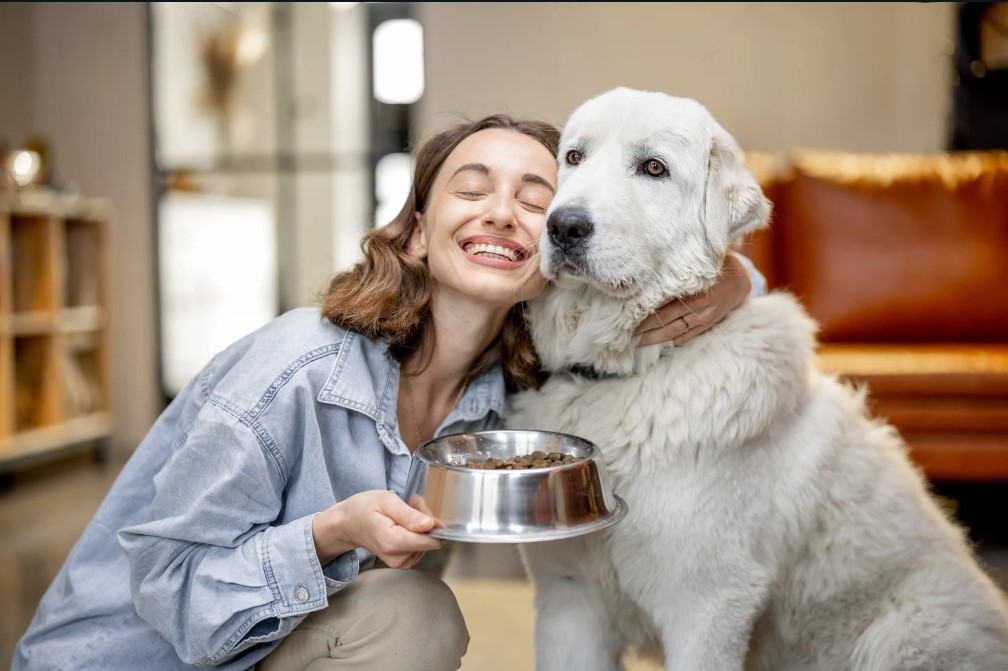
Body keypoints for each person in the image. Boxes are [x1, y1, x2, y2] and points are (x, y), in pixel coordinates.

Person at [12, 114, 765, 671]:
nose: (503, 211)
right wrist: (331, 531)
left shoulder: (514, 393)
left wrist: (733, 275)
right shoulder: (294, 369)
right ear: (414, 234)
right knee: (416, 616)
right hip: (129, 657)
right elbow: (168, 587)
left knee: (410, 618)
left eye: (535, 200)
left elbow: (649, 286)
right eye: (471, 189)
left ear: (555, 251)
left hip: (260, 651)